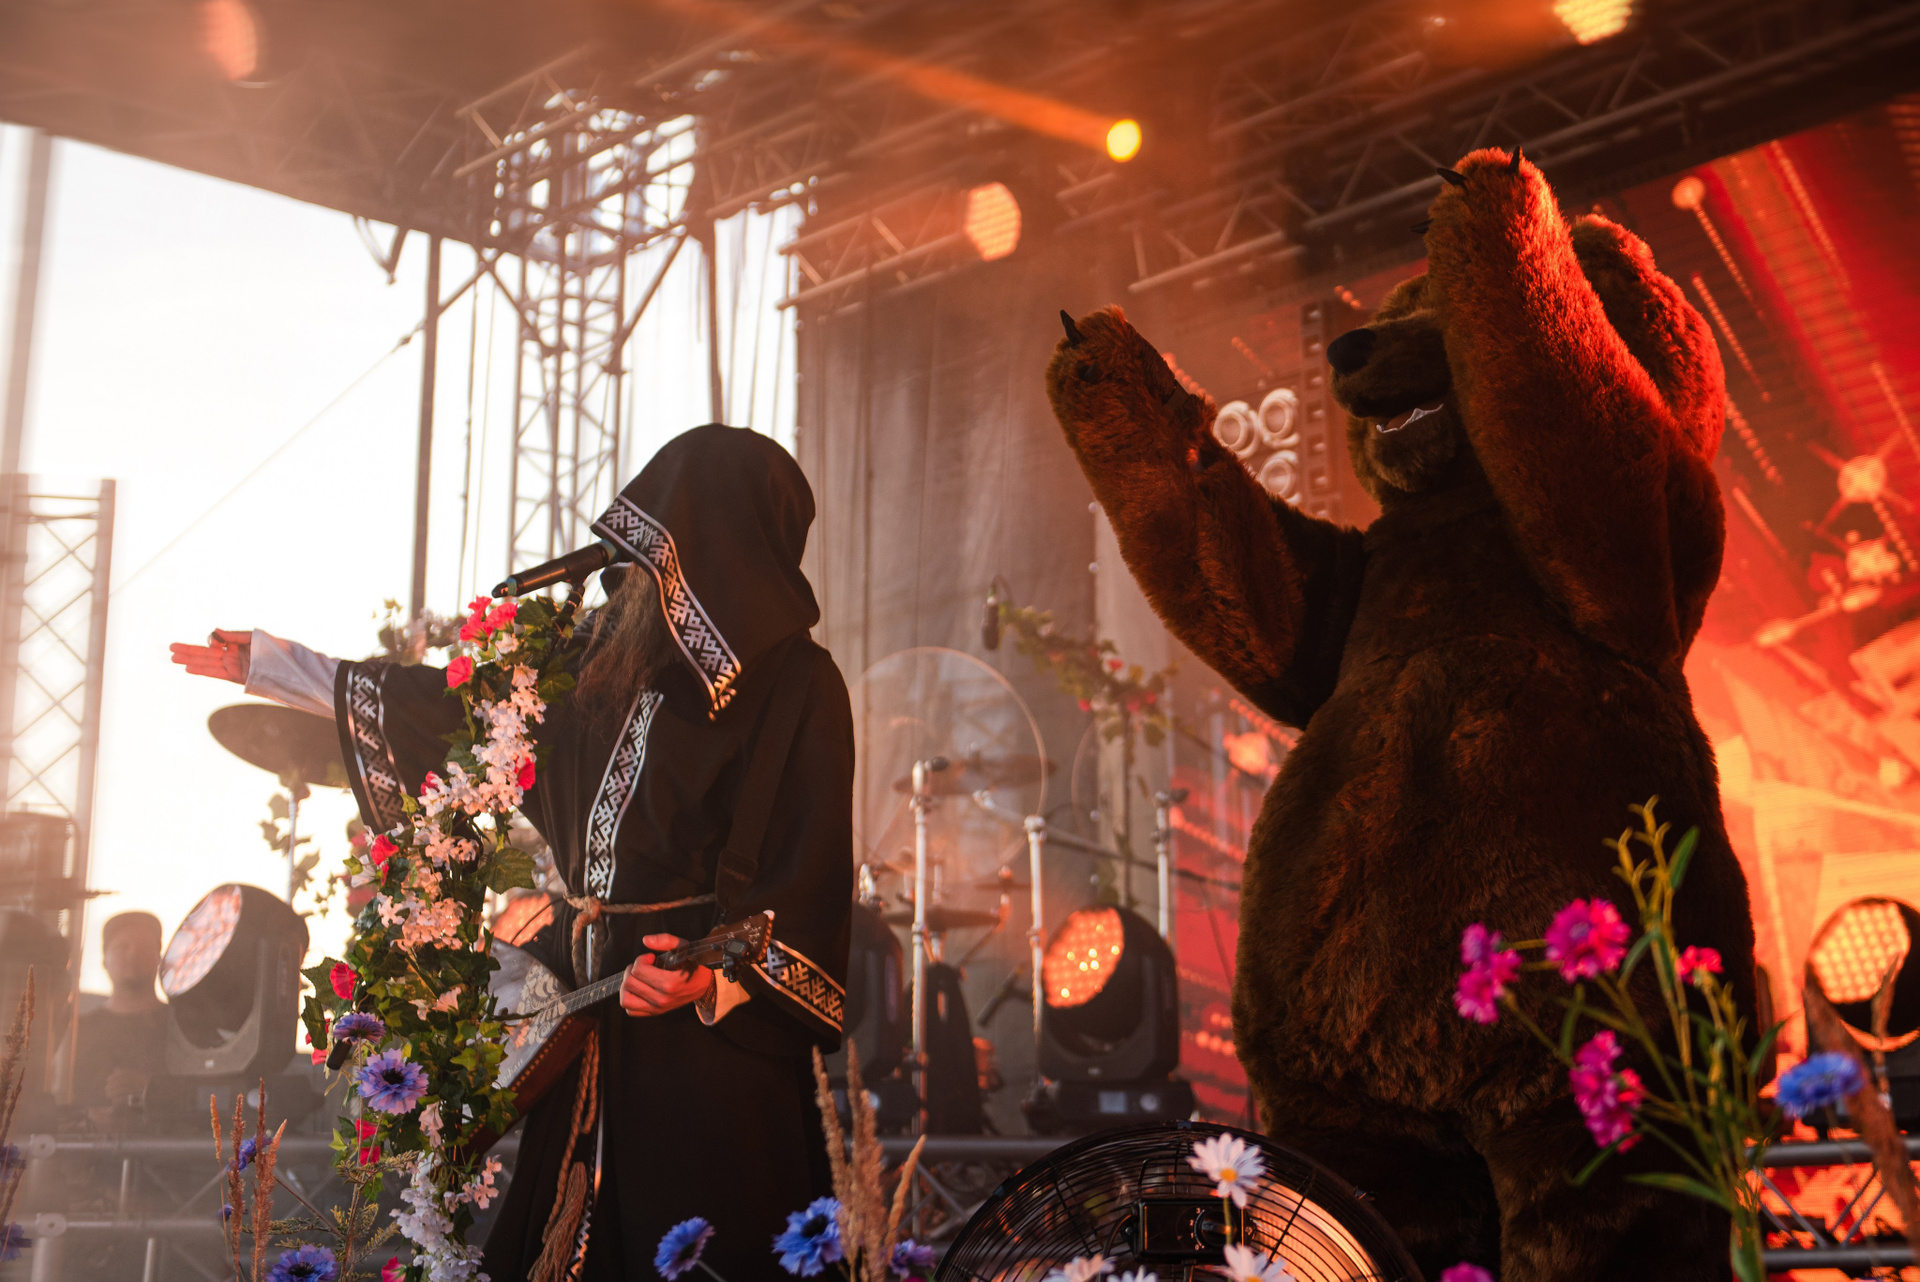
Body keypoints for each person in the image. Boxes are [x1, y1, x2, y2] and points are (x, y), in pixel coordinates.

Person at [171, 425, 854, 1280]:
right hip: (586, 1024)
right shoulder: (600, 665)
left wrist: (710, 978)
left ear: (712, 539)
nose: (639, 563)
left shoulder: (797, 686)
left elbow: (809, 885)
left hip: (708, 1055)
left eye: (662, 538)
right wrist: (277, 666)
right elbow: (442, 712)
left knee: (701, 1251)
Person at [73, 911, 169, 1110]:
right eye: (122, 947)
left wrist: (152, 1089)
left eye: (144, 947)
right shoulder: (77, 1032)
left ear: (159, 959)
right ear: (104, 960)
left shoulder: (183, 1027)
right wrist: (89, 1120)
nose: (133, 954)